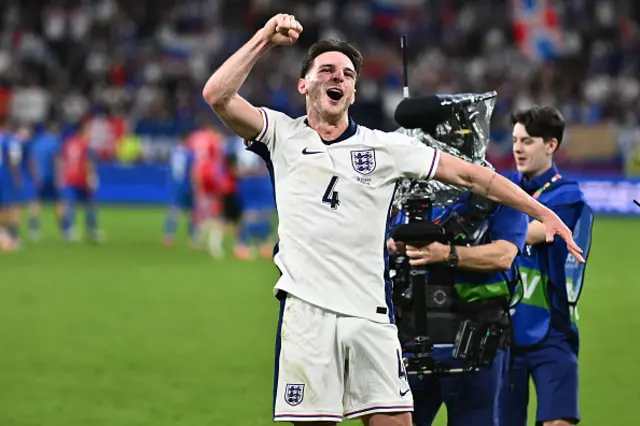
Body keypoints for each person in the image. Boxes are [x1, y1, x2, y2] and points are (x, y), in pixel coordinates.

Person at [201, 14, 582, 425]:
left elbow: (474, 177)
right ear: (304, 84)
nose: (338, 78)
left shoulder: (387, 147)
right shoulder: (280, 134)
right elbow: (218, 95)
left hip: (372, 315)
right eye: (326, 70)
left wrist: (541, 210)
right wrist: (264, 39)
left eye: (347, 74)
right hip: (307, 315)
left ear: (353, 91)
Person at [500, 106, 594, 426]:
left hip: (553, 325)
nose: (517, 148)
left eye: (527, 141)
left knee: (558, 422)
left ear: (551, 145)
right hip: (503, 330)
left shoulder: (568, 196)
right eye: (514, 140)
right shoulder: (504, 187)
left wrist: (491, 232)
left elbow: (538, 231)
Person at [60, 124, 100, 243]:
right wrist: (91, 178)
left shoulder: (68, 144)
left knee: (69, 206)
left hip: (69, 178)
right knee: (91, 205)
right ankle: (92, 231)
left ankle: (67, 231)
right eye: (88, 132)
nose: (90, 134)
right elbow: (88, 163)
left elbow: (63, 160)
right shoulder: (86, 145)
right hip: (82, 179)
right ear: (82, 132)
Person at [28, 119, 64, 240]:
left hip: (38, 177)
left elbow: (32, 161)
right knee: (58, 203)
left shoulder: (36, 142)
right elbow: (56, 160)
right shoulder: (55, 142)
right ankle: (64, 230)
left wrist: (34, 176)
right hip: (51, 176)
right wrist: (59, 177)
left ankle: (34, 230)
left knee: (37, 202)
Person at [163, 132, 197, 248]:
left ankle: (169, 237)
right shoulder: (189, 153)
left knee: (174, 211)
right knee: (192, 212)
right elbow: (193, 171)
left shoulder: (175, 152)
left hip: (176, 185)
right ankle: (192, 239)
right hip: (187, 185)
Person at [0, 119, 23, 250]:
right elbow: (13, 160)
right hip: (5, 176)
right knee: (11, 207)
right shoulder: (10, 140)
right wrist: (17, 177)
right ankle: (11, 239)